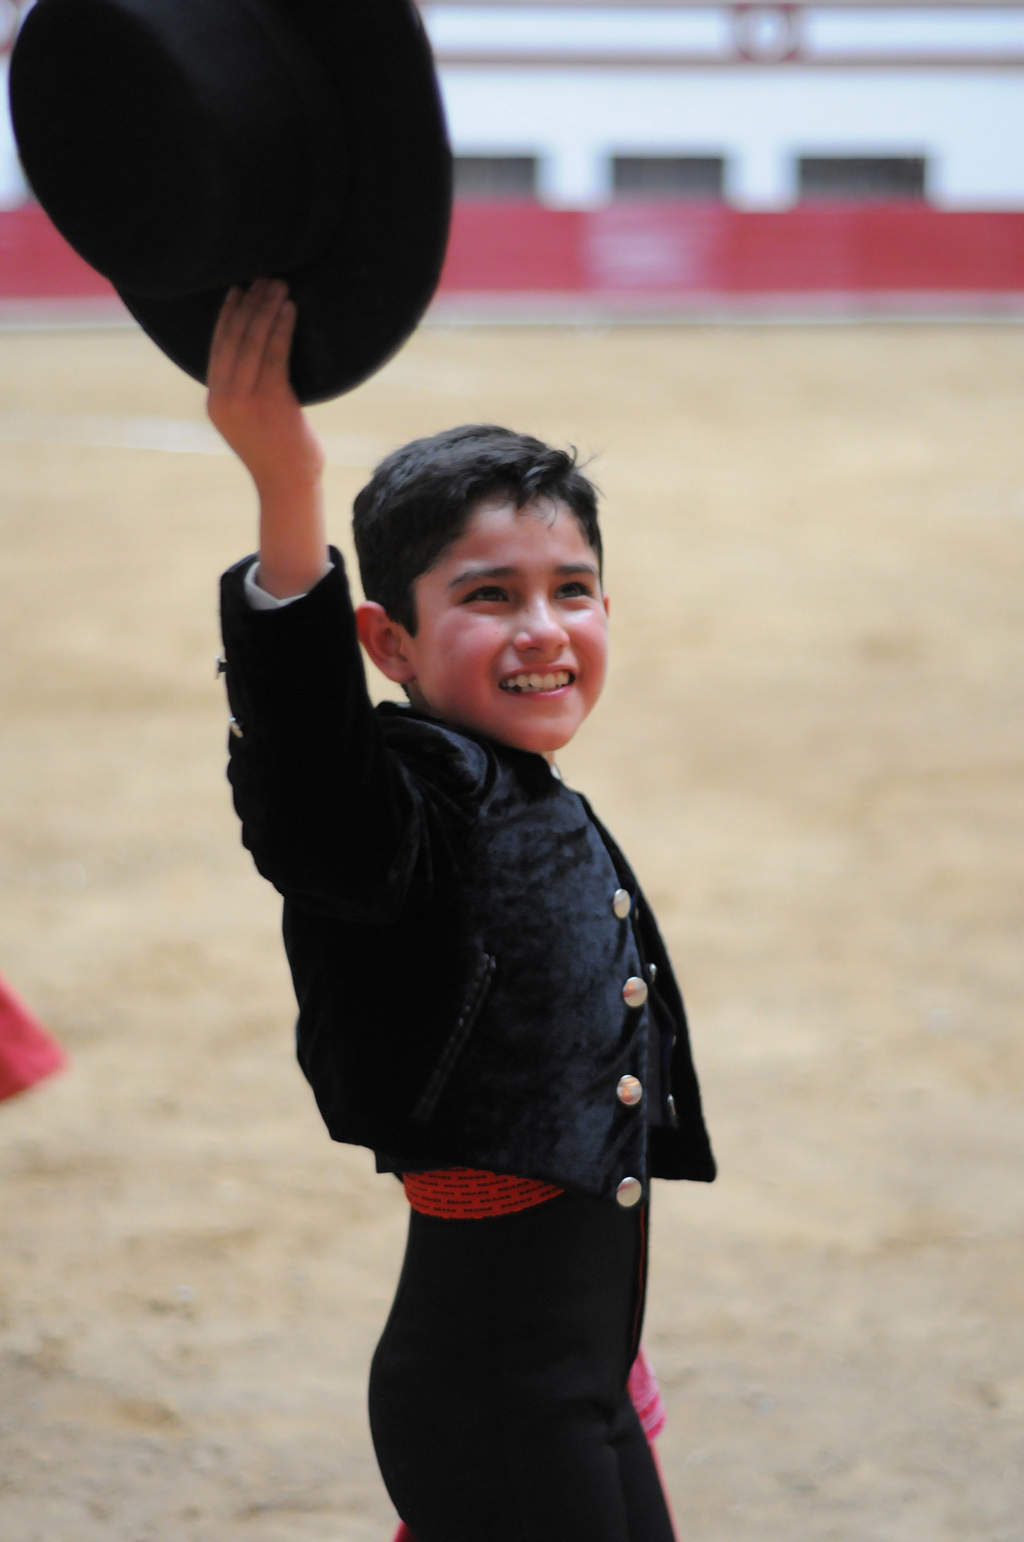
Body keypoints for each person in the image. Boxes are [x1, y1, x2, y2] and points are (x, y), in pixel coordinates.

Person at [208, 279, 716, 1542]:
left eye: (574, 589)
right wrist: (286, 486)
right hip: (494, 1396)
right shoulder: (397, 802)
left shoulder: (513, 783)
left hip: (572, 1372)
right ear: (388, 643)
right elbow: (302, 766)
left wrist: (613, 1350)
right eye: (488, 596)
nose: (542, 629)